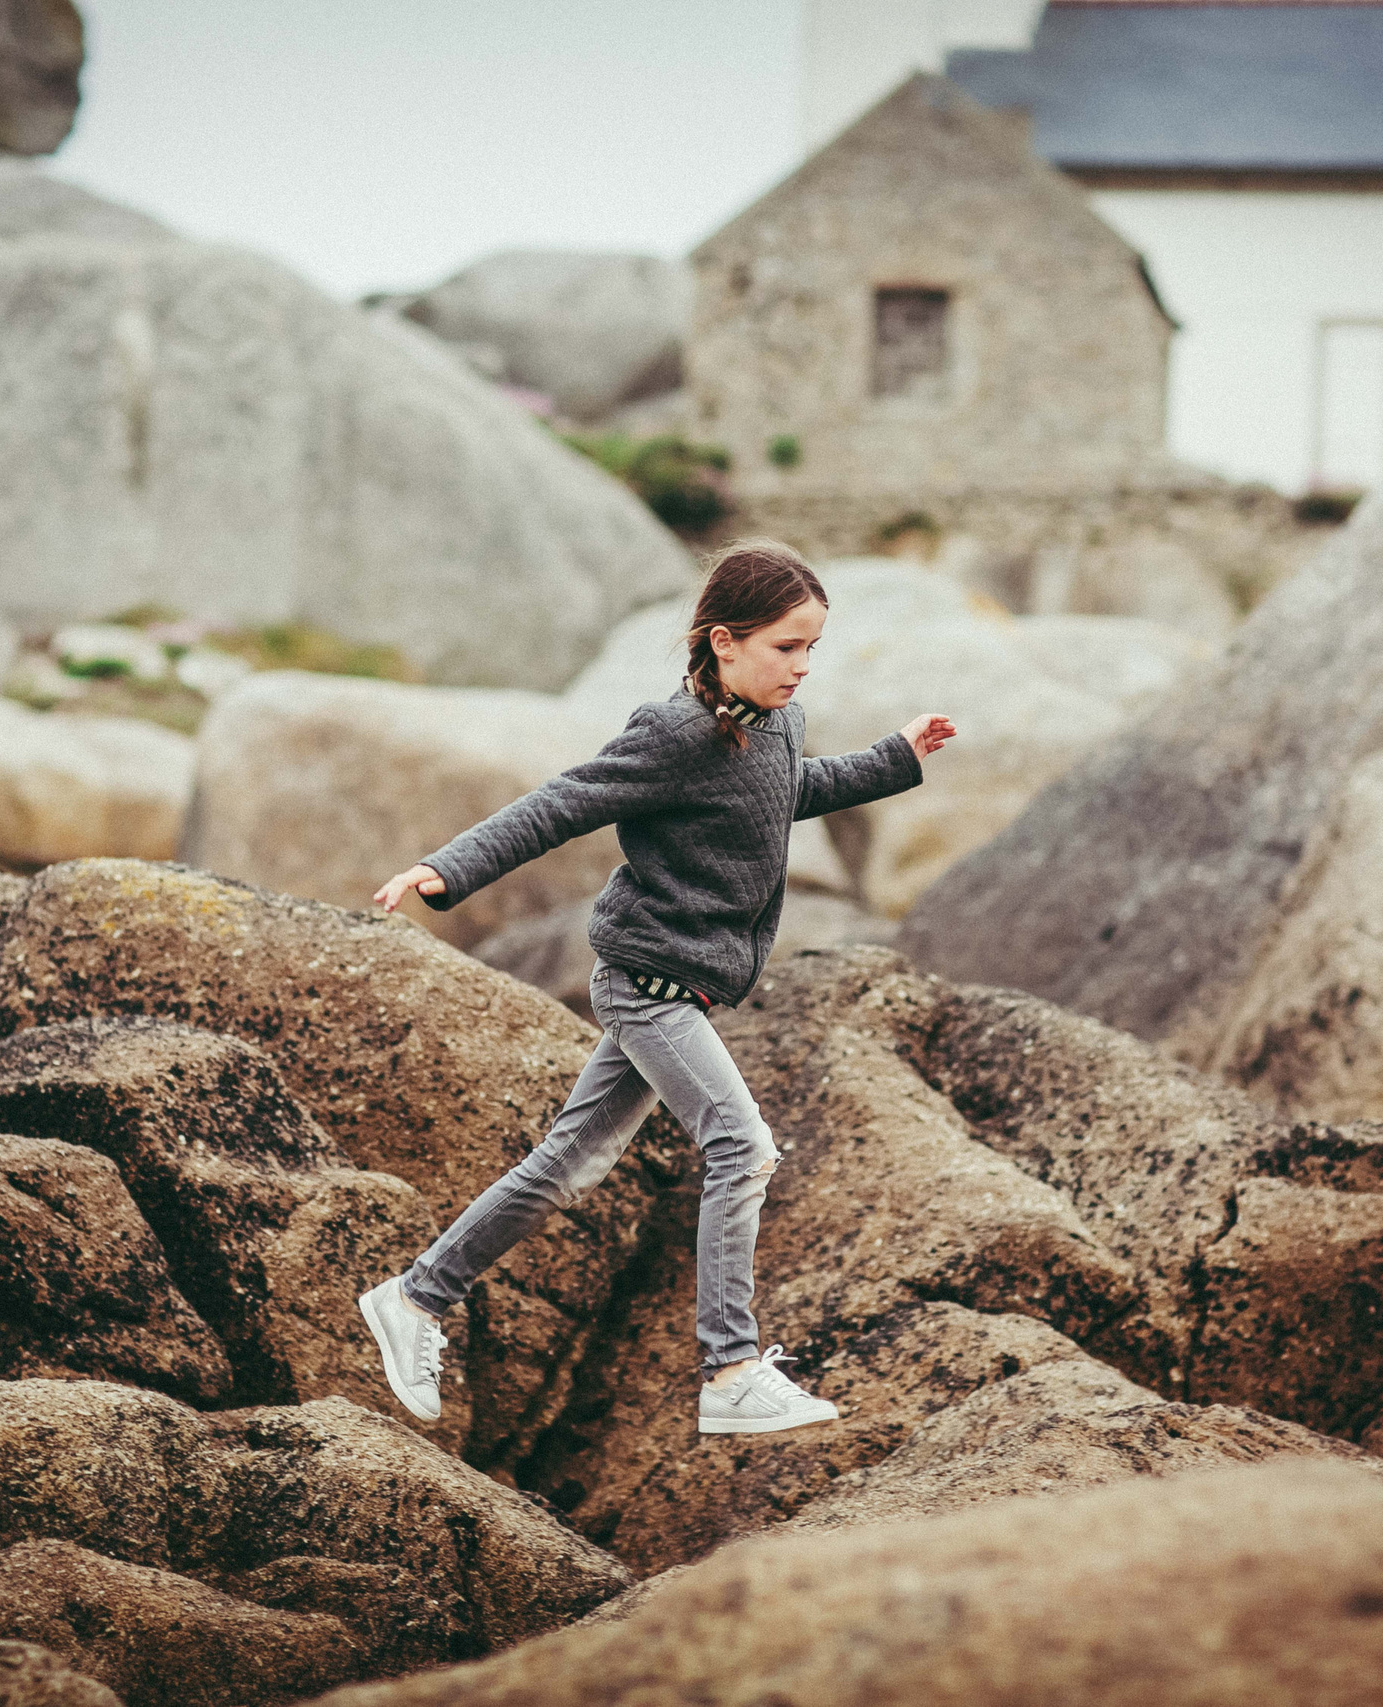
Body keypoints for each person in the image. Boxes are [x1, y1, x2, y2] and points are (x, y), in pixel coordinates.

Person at [359, 539, 956, 1436]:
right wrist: (445, 869)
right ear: (724, 641)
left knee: (568, 1162)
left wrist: (894, 756)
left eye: (812, 649)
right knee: (741, 1146)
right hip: (649, 987)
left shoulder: (773, 722)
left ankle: (415, 1296)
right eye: (786, 647)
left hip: (689, 988)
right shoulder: (671, 734)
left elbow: (786, 791)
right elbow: (561, 803)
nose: (802, 666)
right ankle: (730, 1368)